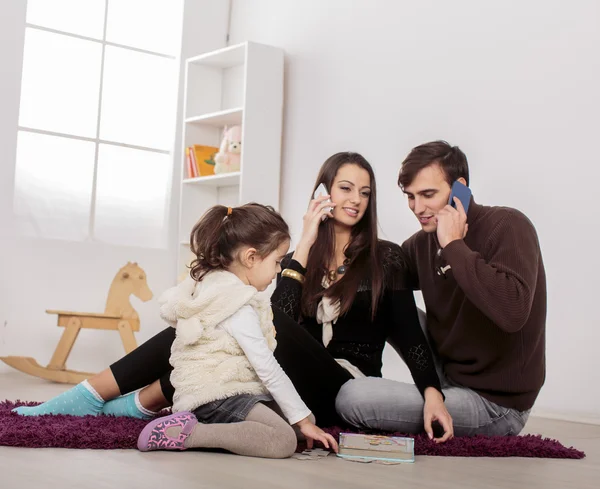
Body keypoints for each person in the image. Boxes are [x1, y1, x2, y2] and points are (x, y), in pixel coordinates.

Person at [15, 152, 453, 443]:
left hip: (340, 384)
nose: (356, 199)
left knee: (233, 315)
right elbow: (275, 327)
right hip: (284, 380)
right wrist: (303, 245)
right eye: (345, 188)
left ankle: (101, 399)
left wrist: (431, 392)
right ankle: (107, 400)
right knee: (209, 333)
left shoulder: (387, 258)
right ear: (322, 192)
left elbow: (409, 334)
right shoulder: (292, 255)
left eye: (364, 192)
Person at [336, 141, 546, 437]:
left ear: (459, 188)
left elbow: (512, 312)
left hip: (497, 404)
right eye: (410, 196)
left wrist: (453, 245)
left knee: (352, 399)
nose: (418, 208)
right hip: (446, 377)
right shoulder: (422, 244)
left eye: (428, 194)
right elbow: (379, 277)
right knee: (385, 296)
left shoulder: (508, 225)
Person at [135, 203, 335, 457]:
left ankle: (219, 429)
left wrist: (303, 419)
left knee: (302, 421)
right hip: (215, 396)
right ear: (250, 257)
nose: (277, 271)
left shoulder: (218, 286)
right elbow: (267, 368)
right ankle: (189, 433)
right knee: (283, 439)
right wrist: (302, 420)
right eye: (276, 262)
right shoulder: (237, 304)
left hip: (226, 391)